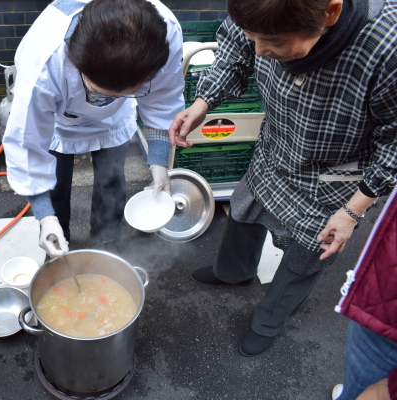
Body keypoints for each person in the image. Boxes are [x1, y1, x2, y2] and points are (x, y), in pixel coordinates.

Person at [169, 0, 397, 356]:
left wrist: (353, 212)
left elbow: (394, 142)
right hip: (276, 145)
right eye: (253, 37)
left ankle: (269, 320)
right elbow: (235, 52)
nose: (259, 51)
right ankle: (233, 272)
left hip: (334, 176)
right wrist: (202, 104)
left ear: (331, 13)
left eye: (273, 41)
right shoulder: (258, 11)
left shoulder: (387, 46)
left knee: (310, 252)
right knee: (244, 208)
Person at [1, 0, 185, 258]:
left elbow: (163, 100)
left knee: (112, 182)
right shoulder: (44, 62)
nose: (114, 96)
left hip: (115, 120)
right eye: (101, 91)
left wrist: (159, 163)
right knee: (56, 187)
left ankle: (106, 248)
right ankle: (57, 245)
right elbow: (27, 145)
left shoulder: (164, 34)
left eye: (129, 90)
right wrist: (44, 217)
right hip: (59, 120)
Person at [330, 188, 397, 399]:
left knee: (364, 386)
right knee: (356, 376)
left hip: (389, 324)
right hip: (381, 293)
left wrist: (386, 392)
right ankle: (353, 388)